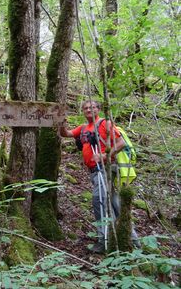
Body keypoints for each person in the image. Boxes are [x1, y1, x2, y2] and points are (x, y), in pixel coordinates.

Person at [59, 100, 139, 253]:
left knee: (99, 201)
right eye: (86, 108)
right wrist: (61, 122)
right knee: (114, 204)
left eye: (92, 107)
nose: (89, 110)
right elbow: (66, 134)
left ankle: (103, 241)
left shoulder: (104, 123)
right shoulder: (83, 128)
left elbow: (120, 142)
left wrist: (104, 155)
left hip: (105, 169)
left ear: (98, 109)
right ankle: (132, 239)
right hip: (95, 171)